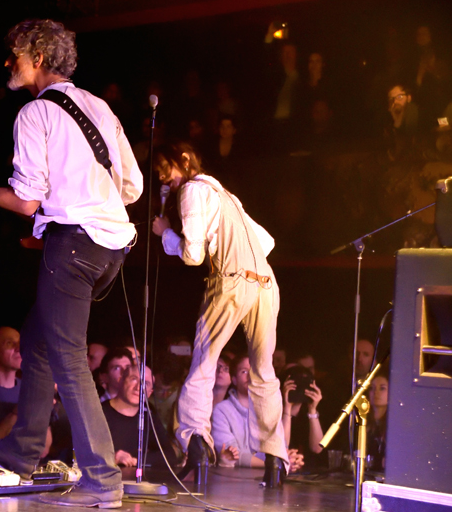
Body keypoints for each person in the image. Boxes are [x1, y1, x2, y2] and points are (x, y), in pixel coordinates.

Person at [0, 18, 143, 508]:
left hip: (73, 247)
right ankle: (23, 448)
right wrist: (87, 196)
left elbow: (26, 202)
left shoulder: (35, 113)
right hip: (110, 249)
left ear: (36, 55)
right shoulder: (100, 107)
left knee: (68, 356)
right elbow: (133, 187)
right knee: (37, 340)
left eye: (14, 53)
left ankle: (103, 477)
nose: (8, 62)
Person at [152, 141, 289, 487]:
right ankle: (275, 458)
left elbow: (193, 255)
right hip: (266, 284)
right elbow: (266, 241)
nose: (163, 178)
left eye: (164, 170)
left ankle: (196, 442)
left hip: (231, 282)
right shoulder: (226, 194)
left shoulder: (193, 192)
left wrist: (166, 234)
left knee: (203, 363)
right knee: (264, 371)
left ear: (183, 161)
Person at [211, 356, 303, 472]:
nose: (251, 375)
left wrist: (289, 459)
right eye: (244, 371)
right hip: (235, 483)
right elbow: (232, 456)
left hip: (265, 480)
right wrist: (277, 464)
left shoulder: (268, 409)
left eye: (254, 371)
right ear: (234, 379)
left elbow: (280, 447)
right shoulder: (222, 410)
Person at [102, 366, 177, 469]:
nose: (138, 387)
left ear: (150, 392)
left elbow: (169, 456)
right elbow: (80, 452)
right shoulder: (98, 414)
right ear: (121, 380)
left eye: (145, 383)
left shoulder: (148, 417)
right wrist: (111, 458)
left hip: (134, 482)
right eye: (134, 379)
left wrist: (136, 460)